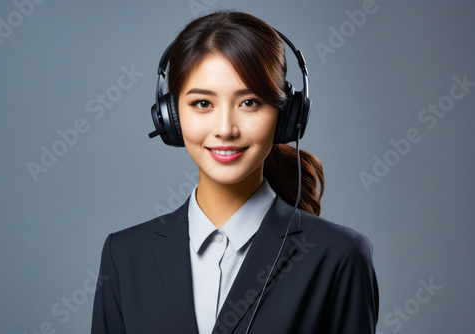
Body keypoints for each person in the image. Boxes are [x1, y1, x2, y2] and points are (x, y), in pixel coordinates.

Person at [91, 10, 379, 334]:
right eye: (202, 103)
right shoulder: (125, 255)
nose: (226, 129)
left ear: (286, 116)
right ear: (170, 117)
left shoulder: (339, 256)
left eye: (250, 103)